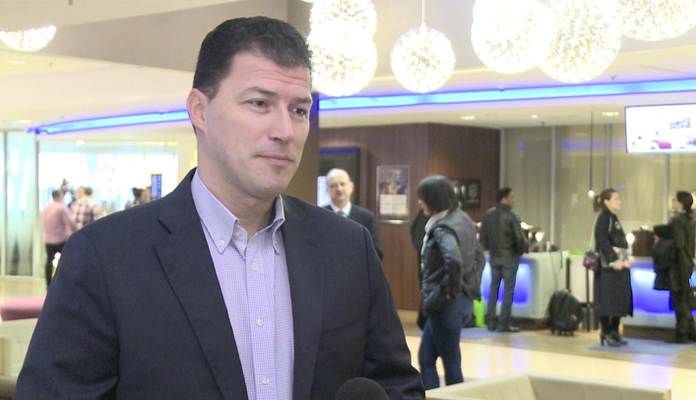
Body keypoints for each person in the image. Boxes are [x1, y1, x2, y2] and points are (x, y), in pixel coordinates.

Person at [15, 17, 424, 400]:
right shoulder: (106, 257)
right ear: (200, 110)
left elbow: (397, 387)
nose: (285, 131)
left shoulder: (348, 248)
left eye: (299, 110)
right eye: (260, 103)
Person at [417, 175, 482, 390]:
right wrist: (469, 284)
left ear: (433, 199)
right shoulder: (463, 219)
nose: (419, 201)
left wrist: (451, 289)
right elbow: (479, 257)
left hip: (446, 305)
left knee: (450, 362)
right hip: (462, 301)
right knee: (426, 357)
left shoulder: (442, 228)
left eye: (423, 197)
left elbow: (453, 260)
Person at [479, 187, 526, 332]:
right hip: (510, 257)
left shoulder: (487, 215)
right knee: (508, 291)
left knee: (493, 289)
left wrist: (491, 249)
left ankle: (491, 322)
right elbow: (519, 238)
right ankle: (504, 323)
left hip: (494, 257)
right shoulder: (512, 216)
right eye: (511, 197)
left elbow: (482, 238)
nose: (514, 200)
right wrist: (520, 251)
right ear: (504, 199)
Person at [592, 188, 632, 347]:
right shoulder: (604, 218)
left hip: (620, 264)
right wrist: (614, 261)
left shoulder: (613, 217)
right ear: (606, 201)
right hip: (608, 267)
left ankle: (615, 330)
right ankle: (606, 331)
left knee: (620, 298)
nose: (619, 201)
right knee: (606, 300)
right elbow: (602, 242)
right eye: (616, 199)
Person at [324, 168, 383, 259]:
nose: (339, 188)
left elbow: (376, 252)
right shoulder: (319, 215)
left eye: (342, 184)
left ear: (351, 186)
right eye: (333, 185)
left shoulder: (366, 217)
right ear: (327, 190)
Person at [667, 191, 696, 343]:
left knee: (679, 299)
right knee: (683, 297)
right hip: (687, 262)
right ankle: (690, 331)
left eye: (674, 199)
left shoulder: (677, 220)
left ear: (680, 203)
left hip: (678, 263)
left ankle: (682, 333)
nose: (672, 201)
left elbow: (678, 243)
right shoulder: (689, 219)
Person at [40, 190, 78, 288]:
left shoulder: (46, 208)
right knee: (65, 261)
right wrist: (77, 230)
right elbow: (71, 223)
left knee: (49, 260)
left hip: (48, 239)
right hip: (61, 239)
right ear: (60, 196)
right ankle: (63, 283)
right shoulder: (62, 208)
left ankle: (48, 283)